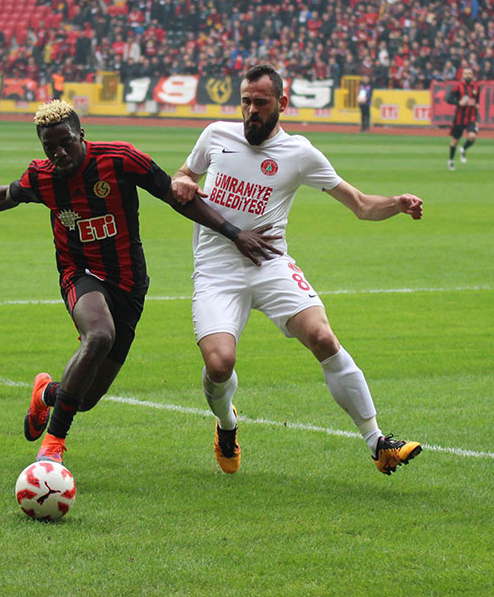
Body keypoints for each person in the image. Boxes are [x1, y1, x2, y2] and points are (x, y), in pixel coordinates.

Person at [0, 100, 277, 466]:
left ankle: (46, 394)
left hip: (129, 284)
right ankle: (52, 447)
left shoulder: (120, 159)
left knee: (84, 399)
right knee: (99, 335)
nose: (59, 153)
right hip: (79, 274)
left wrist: (233, 234)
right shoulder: (42, 177)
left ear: (81, 135)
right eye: (49, 147)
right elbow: (6, 196)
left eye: (65, 142)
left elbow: (175, 198)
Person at [171, 64, 424, 476]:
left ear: (281, 104)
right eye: (246, 101)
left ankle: (378, 442)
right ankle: (227, 424)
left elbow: (359, 204)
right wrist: (182, 179)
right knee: (220, 365)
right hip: (217, 269)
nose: (251, 110)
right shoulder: (215, 135)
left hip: (270, 264)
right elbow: (185, 173)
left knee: (323, 336)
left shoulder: (300, 153)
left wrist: (396, 203)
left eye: (261, 102)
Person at [445, 66, 479, 171]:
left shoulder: (476, 87)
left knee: (473, 136)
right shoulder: (458, 86)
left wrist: (476, 108)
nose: (468, 75)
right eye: (466, 73)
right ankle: (451, 161)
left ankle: (463, 149)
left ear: (472, 75)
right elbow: (448, 98)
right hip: (459, 118)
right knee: (455, 140)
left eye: (470, 73)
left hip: (471, 118)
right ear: (462, 75)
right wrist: (458, 103)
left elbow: (476, 101)